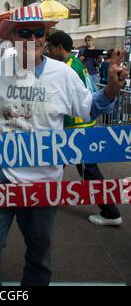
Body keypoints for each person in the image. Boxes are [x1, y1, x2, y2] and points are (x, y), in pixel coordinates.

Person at [0, 4, 127, 286]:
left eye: (38, 32)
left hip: (44, 184)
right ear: (12, 37)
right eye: (25, 33)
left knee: (39, 257)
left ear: (45, 37)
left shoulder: (63, 74)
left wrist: (112, 88)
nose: (32, 39)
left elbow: (90, 109)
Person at [46, 31, 122, 227]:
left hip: (76, 128)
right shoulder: (75, 63)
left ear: (58, 48)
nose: (47, 51)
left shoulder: (69, 67)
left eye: (50, 48)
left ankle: (110, 211)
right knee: (54, 163)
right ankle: (43, 197)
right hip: (78, 126)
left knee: (88, 172)